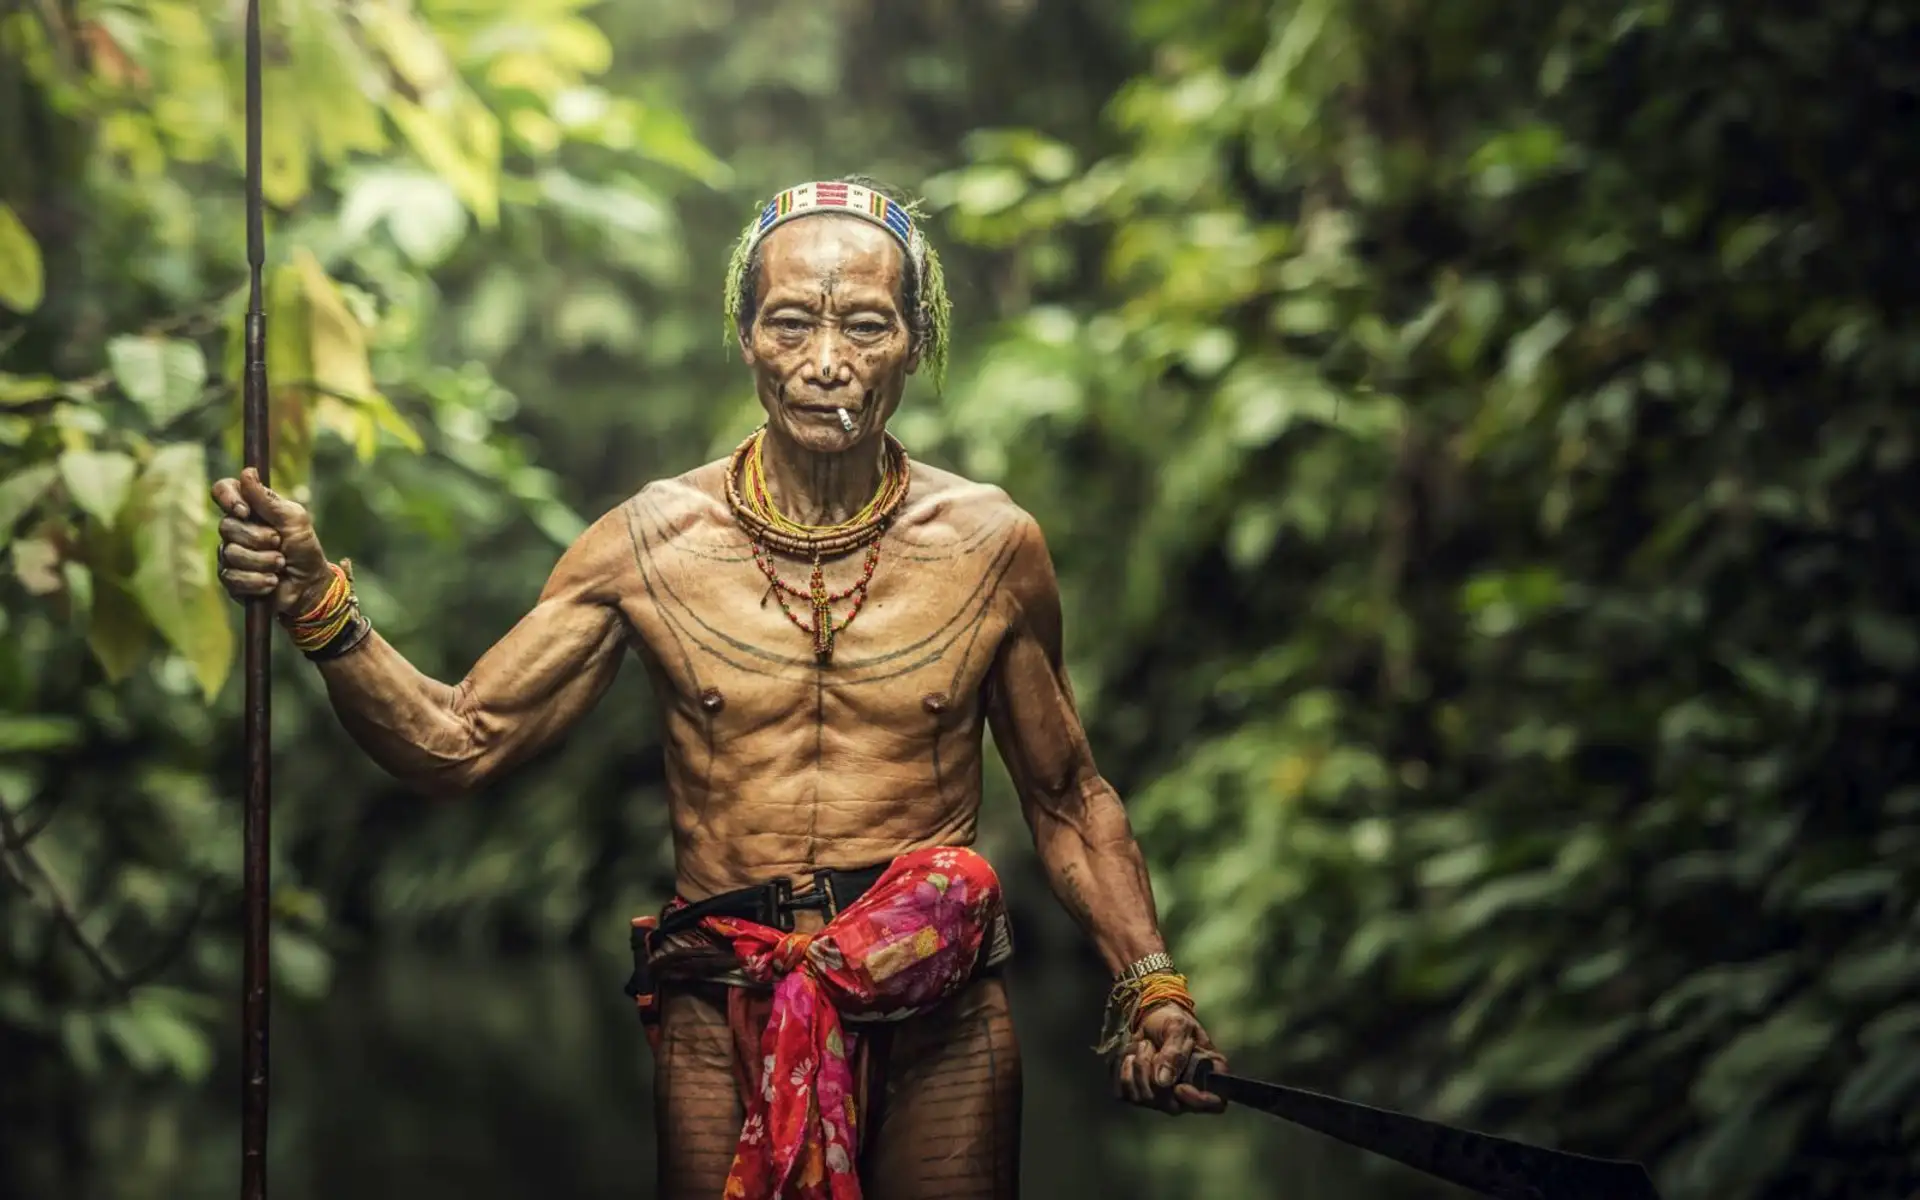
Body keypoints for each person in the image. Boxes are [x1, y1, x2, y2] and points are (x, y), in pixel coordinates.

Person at [210, 176, 1225, 1200]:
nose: (827, 363)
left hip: (939, 1014)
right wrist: (316, 602)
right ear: (744, 336)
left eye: (867, 326)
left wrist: (1153, 989)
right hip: (720, 1002)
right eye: (791, 323)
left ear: (918, 341)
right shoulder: (651, 543)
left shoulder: (991, 547)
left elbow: (1067, 797)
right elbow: (456, 740)